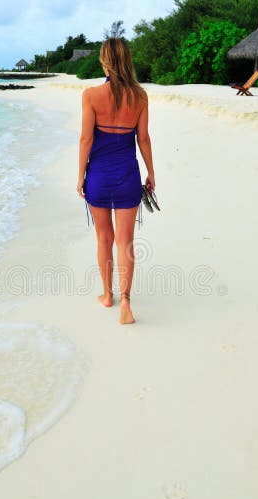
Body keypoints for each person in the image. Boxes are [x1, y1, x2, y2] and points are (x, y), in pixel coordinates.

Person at [76, 38, 154, 325]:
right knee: (125, 242)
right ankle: (126, 303)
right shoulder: (140, 97)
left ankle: (108, 295)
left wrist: (80, 175)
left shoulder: (91, 95)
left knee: (103, 238)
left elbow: (86, 139)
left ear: (104, 60)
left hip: (98, 176)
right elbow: (143, 138)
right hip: (128, 177)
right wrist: (151, 172)